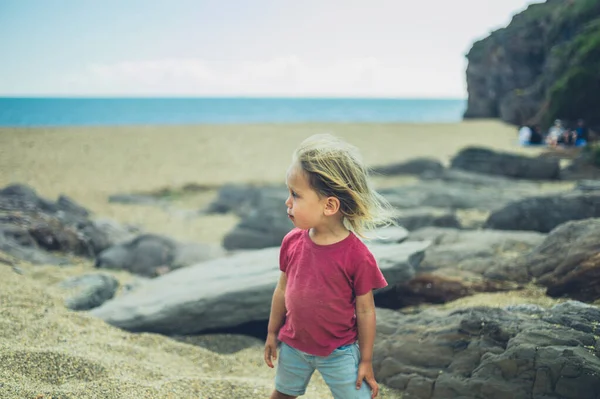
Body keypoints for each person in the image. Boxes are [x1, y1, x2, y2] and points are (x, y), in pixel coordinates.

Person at [264, 134, 395, 399]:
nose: (287, 202)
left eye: (295, 195)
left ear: (330, 205)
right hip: (293, 346)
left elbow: (366, 310)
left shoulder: (357, 255)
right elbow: (282, 290)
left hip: (339, 352)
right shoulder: (292, 242)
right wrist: (271, 332)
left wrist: (366, 361)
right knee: (282, 395)